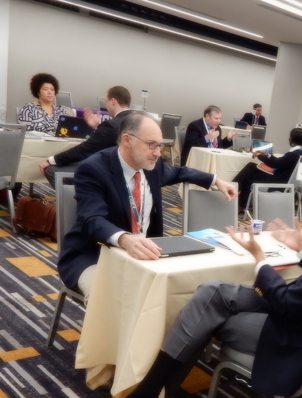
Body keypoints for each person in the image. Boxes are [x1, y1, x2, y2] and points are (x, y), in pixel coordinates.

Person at [67, 149, 302, 398]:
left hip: (297, 337)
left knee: (206, 313)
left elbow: (286, 302)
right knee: (211, 293)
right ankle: (150, 397)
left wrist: (259, 260)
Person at [57, 112, 236, 298]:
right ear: (127, 140)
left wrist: (215, 181)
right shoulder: (94, 169)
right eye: (152, 145)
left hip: (144, 255)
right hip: (95, 256)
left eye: (159, 146)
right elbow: (92, 219)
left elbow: (180, 172)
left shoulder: (152, 166)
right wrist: (125, 239)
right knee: (109, 295)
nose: (158, 153)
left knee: (186, 288)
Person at [39, 86, 133, 186]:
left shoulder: (111, 125)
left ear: (113, 101)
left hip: (111, 174)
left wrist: (51, 160)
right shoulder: (140, 120)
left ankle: (78, 199)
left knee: (51, 169)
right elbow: (107, 140)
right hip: (130, 172)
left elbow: (83, 151)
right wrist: (97, 127)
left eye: (107, 102)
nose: (107, 106)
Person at [232, 127, 302, 212]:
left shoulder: (293, 155)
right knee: (251, 169)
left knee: (250, 170)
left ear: (292, 139)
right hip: (287, 183)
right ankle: (241, 202)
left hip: (279, 182)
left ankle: (233, 190)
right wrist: (266, 155)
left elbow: (275, 164)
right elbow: (279, 162)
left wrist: (259, 155)